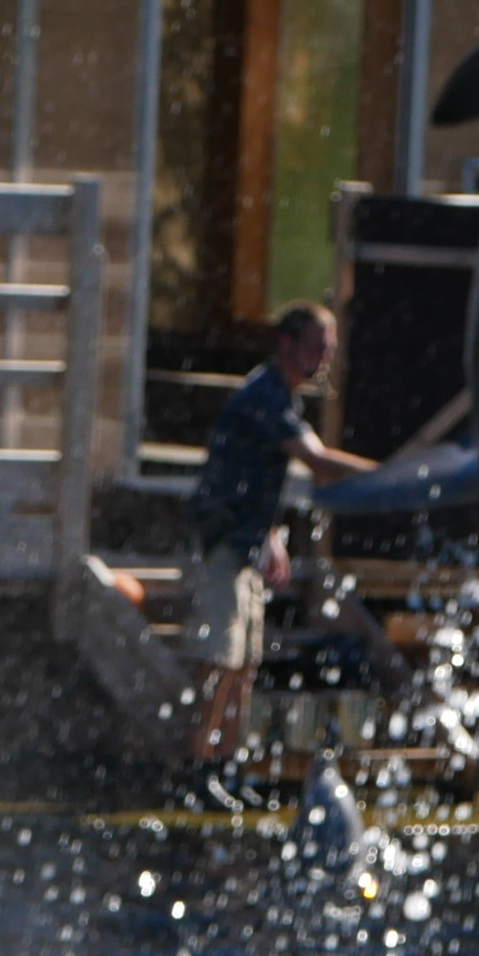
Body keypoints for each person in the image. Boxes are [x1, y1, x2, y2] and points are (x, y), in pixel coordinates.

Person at [180, 302, 375, 806]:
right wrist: (388, 476)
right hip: (220, 543)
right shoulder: (264, 393)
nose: (323, 358)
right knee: (217, 662)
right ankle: (198, 771)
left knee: (244, 665)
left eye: (328, 349)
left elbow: (259, 474)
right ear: (287, 345)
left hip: (247, 541)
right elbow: (314, 460)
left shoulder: (286, 399)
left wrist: (272, 535)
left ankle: (226, 767)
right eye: (316, 347)